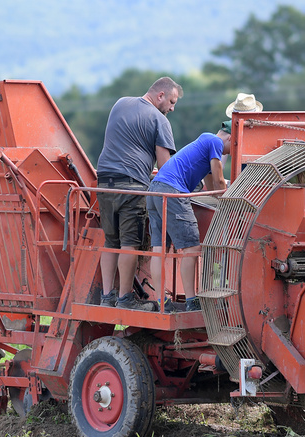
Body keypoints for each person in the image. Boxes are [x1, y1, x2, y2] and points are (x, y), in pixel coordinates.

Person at [95, 77, 182, 311]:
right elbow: (165, 167)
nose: (172, 108)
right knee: (130, 244)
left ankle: (106, 297)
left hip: (103, 182)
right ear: (160, 96)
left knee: (110, 241)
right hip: (131, 186)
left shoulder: (120, 103)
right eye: (172, 102)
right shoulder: (159, 120)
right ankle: (124, 299)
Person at [147, 121, 231, 312]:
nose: (228, 153)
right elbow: (218, 182)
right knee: (191, 248)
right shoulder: (215, 142)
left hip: (156, 190)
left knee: (159, 247)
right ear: (230, 138)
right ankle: (192, 301)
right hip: (173, 191)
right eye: (230, 148)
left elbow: (212, 188)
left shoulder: (205, 143)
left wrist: (220, 192)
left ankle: (162, 301)